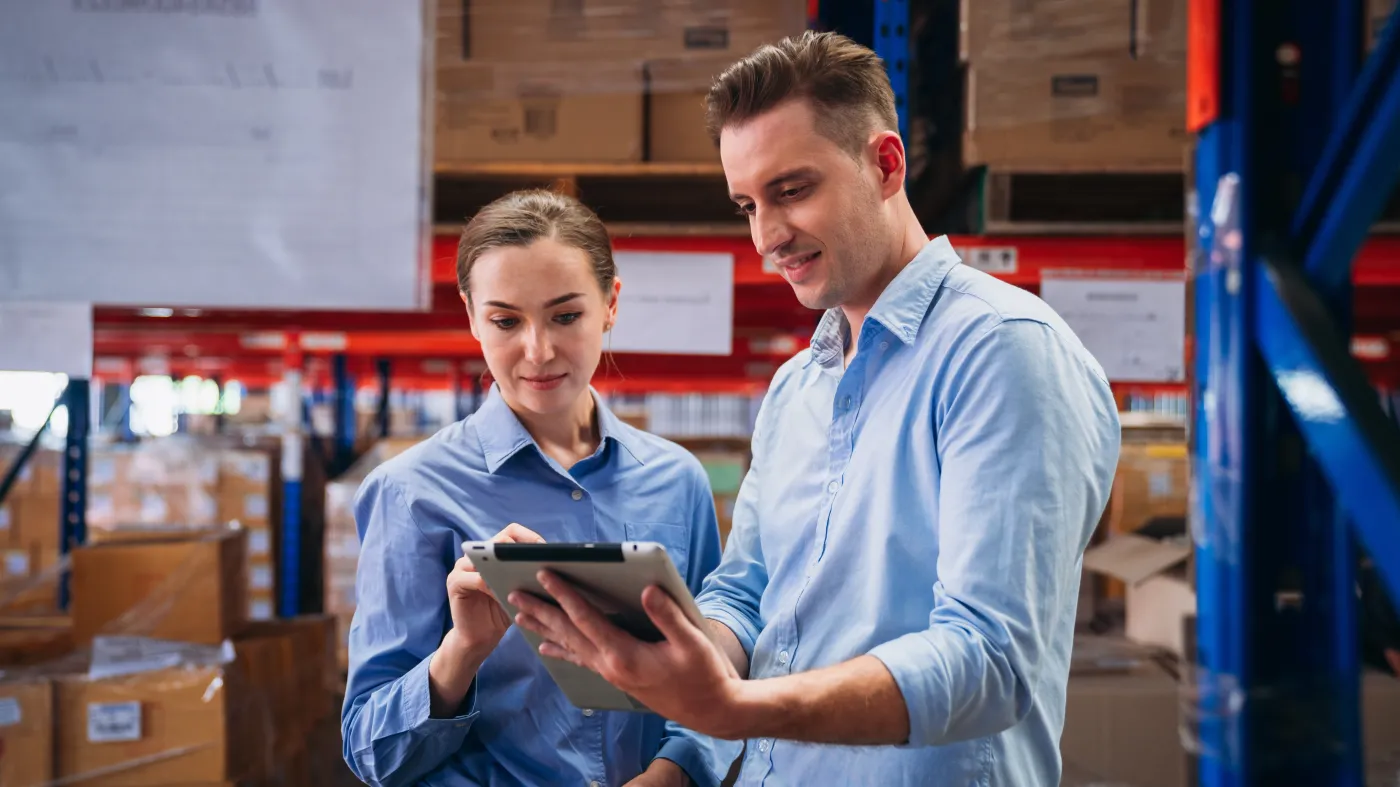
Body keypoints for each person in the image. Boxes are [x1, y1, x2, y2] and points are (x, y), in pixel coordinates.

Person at [510, 31, 1123, 786]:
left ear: (886, 163)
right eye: (747, 204)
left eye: (792, 191)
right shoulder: (800, 386)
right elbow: (748, 594)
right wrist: (662, 643)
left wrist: (742, 706)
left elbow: (989, 658)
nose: (767, 236)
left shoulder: (1002, 352)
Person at [340, 190, 737, 787]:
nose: (539, 350)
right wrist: (463, 650)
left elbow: (713, 677)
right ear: (472, 315)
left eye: (566, 316)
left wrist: (674, 772)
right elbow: (371, 750)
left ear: (610, 304)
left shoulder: (675, 481)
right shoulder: (410, 492)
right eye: (506, 321)